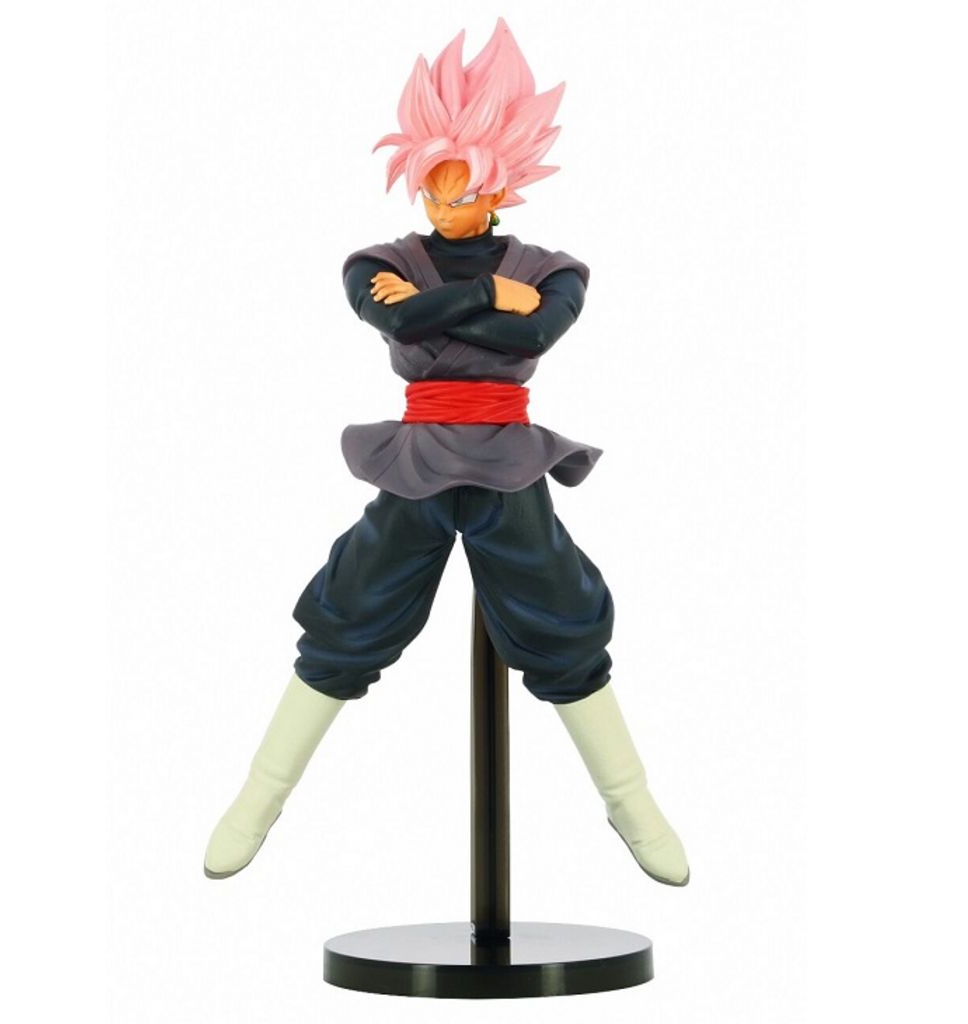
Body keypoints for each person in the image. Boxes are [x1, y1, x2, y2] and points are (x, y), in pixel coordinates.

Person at [204, 18, 689, 887]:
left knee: (563, 621)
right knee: (350, 613)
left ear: (500, 185)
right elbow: (393, 319)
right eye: (430, 189)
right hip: (416, 461)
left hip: (509, 459)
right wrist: (488, 294)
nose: (440, 207)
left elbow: (533, 332)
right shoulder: (378, 260)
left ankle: (631, 801)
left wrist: (441, 307)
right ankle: (259, 798)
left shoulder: (555, 268)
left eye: (459, 192)